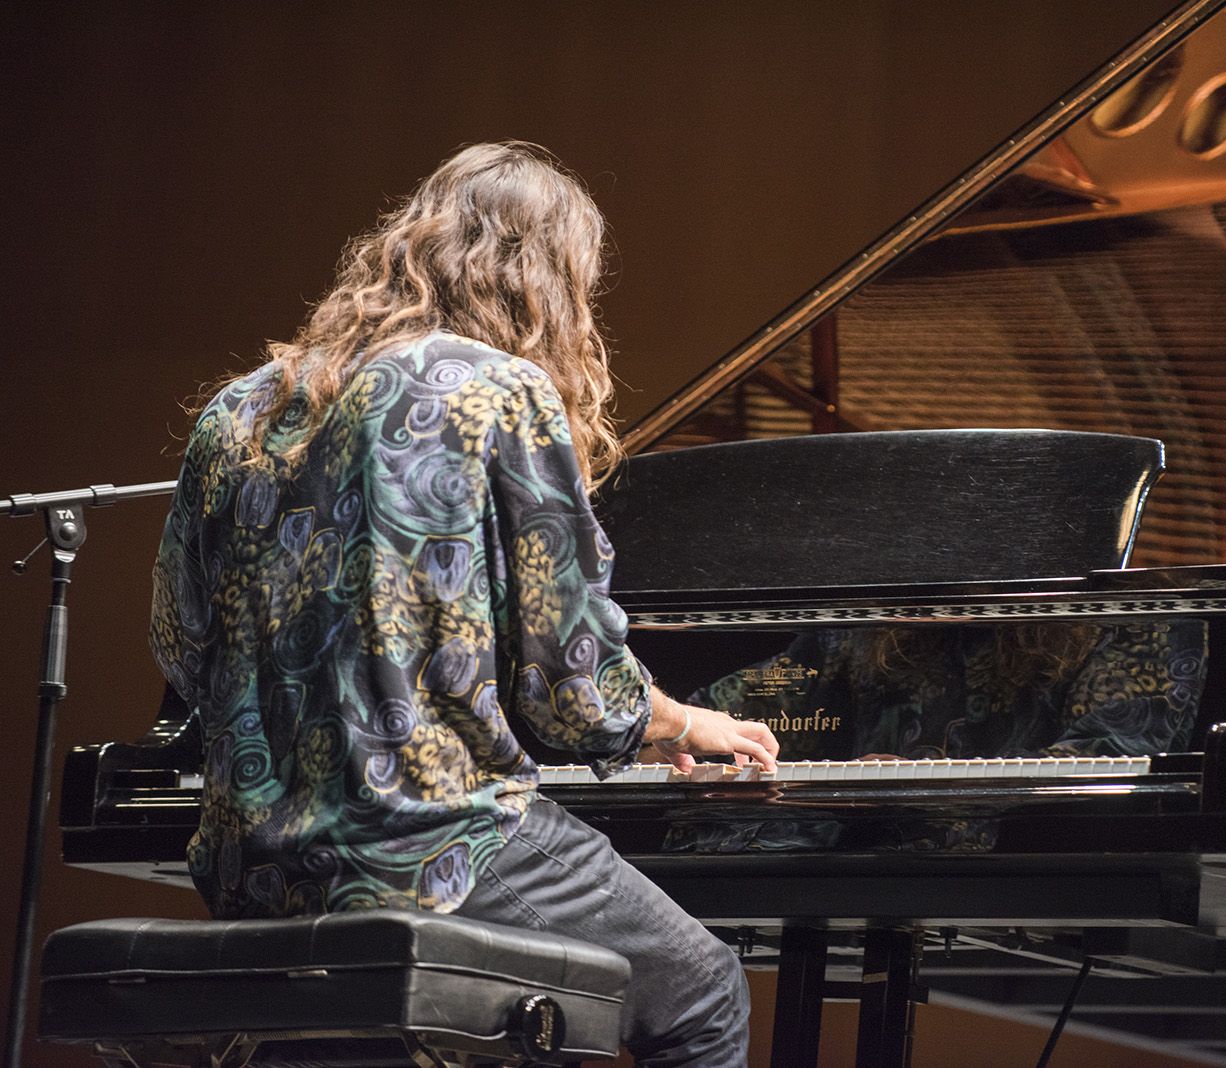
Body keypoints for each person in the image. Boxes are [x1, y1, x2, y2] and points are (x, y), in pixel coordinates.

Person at [149, 141, 778, 1066]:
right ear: (548, 280)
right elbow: (576, 690)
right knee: (705, 996)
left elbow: (179, 640)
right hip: (429, 850)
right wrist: (680, 720)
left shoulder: (239, 409)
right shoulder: (502, 391)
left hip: (255, 869)